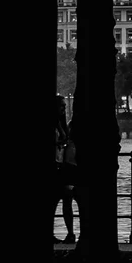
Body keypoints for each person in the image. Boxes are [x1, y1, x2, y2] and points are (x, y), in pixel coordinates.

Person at [52, 96, 78, 240]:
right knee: (59, 200)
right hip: (57, 166)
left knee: (65, 200)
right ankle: (69, 233)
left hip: (62, 167)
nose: (64, 108)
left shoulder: (62, 124)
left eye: (65, 106)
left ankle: (70, 233)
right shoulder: (57, 124)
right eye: (61, 106)